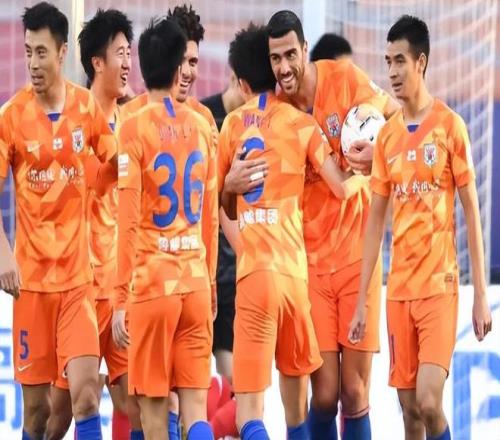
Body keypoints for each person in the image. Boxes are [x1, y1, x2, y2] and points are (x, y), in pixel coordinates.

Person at [219, 23, 368, 440]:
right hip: (296, 279)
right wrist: (372, 172)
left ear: (242, 82)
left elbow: (219, 204)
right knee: (297, 410)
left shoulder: (231, 127)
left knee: (249, 413)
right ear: (271, 70)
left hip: (255, 277)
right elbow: (341, 186)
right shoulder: (302, 124)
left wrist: (243, 234)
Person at [348, 15, 492, 440]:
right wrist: (362, 302)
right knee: (410, 412)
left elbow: (471, 211)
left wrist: (480, 295)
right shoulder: (387, 138)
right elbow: (375, 221)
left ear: (421, 62)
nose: (392, 72)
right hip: (399, 292)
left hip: (439, 287)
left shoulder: (450, 126)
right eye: (387, 62)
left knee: (429, 402)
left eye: (400, 61)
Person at [266, 10, 398, 439]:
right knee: (323, 395)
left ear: (305, 49)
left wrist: (378, 152)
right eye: (275, 58)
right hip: (310, 266)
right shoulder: (274, 110)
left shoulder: (344, 77)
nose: (284, 67)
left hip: (359, 257)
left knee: (355, 392)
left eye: (290, 54)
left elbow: (395, 116)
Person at [0, 2, 117, 439]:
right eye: (27, 52)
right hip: (31, 287)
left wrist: (121, 168)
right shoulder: (11, 116)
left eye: (41, 52)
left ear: (62, 52)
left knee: (86, 396)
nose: (32, 63)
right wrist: (3, 254)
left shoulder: (86, 109)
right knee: (39, 413)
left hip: (78, 284)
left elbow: (117, 162)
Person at [112, 17, 218, 440]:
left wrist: (120, 298)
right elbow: (210, 216)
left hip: (153, 286)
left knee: (154, 417)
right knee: (196, 411)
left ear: (143, 68)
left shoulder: (133, 126)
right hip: (195, 283)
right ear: (178, 69)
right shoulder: (203, 127)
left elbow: (127, 221)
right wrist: (211, 280)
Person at [45, 8, 142, 440]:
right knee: (65, 410)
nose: (128, 63)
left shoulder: (134, 123)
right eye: (120, 53)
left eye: (129, 53)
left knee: (140, 403)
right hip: (78, 290)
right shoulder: (69, 123)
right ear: (97, 62)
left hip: (123, 289)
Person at [201, 68, 245, 386]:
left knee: (232, 371)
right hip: (199, 264)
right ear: (232, 78)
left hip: (233, 268)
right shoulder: (203, 119)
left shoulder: (251, 125)